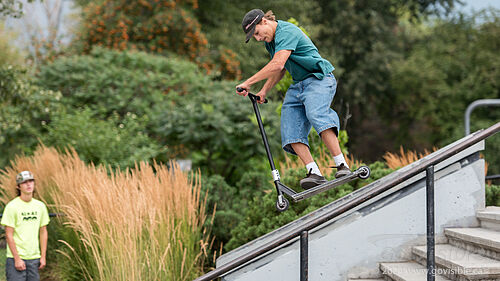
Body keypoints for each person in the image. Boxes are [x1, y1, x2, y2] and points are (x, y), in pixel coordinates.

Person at [236, 9, 351, 189]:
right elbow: (280, 69)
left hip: (319, 78)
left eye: (257, 33)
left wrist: (249, 83)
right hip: (299, 85)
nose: (258, 39)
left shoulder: (286, 31)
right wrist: (264, 91)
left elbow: (277, 63)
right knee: (290, 126)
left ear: (264, 21)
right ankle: (314, 172)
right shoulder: (271, 42)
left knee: (315, 113)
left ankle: (342, 165)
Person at [1, 171, 50, 281]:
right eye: (24, 182)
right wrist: (17, 258)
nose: (28, 185)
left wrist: (43, 256)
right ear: (18, 186)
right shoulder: (12, 207)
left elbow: (43, 232)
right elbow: (9, 235)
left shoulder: (40, 206)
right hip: (16, 259)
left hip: (34, 258)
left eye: (31, 181)